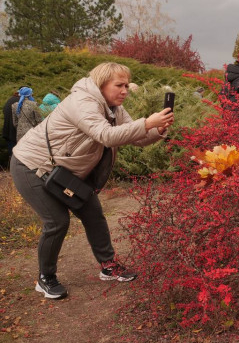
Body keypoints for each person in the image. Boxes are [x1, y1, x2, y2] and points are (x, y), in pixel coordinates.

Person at [10, 62, 174, 300]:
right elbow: (106, 136)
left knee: (93, 213)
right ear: (101, 84)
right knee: (57, 222)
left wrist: (158, 130)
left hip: (65, 172)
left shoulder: (113, 108)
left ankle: (108, 266)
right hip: (31, 165)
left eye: (127, 85)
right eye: (119, 85)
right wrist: (148, 122)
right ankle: (45, 278)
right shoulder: (82, 102)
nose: (125, 90)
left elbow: (135, 136)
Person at [2, 89, 20, 161]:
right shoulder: (20, 102)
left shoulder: (9, 100)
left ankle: (11, 166)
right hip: (15, 130)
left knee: (11, 151)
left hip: (7, 129)